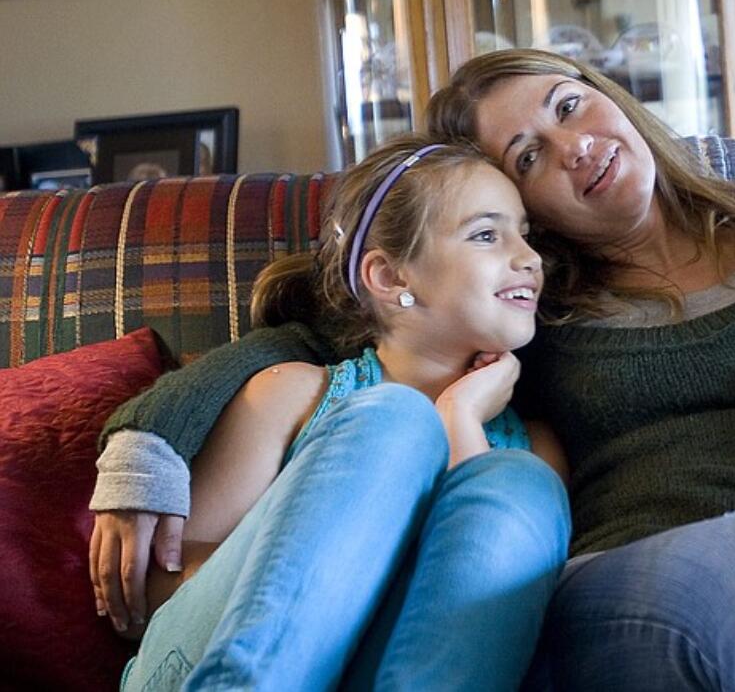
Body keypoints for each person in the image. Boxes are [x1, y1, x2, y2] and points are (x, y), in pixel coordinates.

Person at [91, 50, 735, 690]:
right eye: (528, 158)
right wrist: (150, 432)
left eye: (568, 106)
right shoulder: (535, 307)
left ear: (607, 93)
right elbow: (331, 336)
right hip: (630, 581)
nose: (573, 146)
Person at [95, 135, 571, 689]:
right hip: (202, 662)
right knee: (392, 420)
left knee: (516, 483)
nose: (529, 258)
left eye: (525, 234)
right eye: (487, 235)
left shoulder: (536, 446)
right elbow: (152, 594)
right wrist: (319, 549)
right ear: (391, 278)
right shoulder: (292, 395)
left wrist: (460, 418)